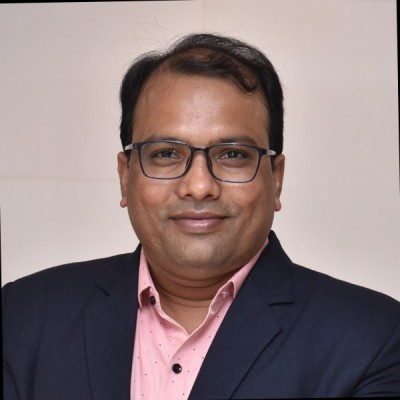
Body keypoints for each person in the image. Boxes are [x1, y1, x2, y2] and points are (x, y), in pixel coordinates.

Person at [2, 32, 400, 400]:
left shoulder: (373, 338)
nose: (198, 186)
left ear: (275, 179)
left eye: (232, 155)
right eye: (166, 154)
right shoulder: (22, 315)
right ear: (125, 176)